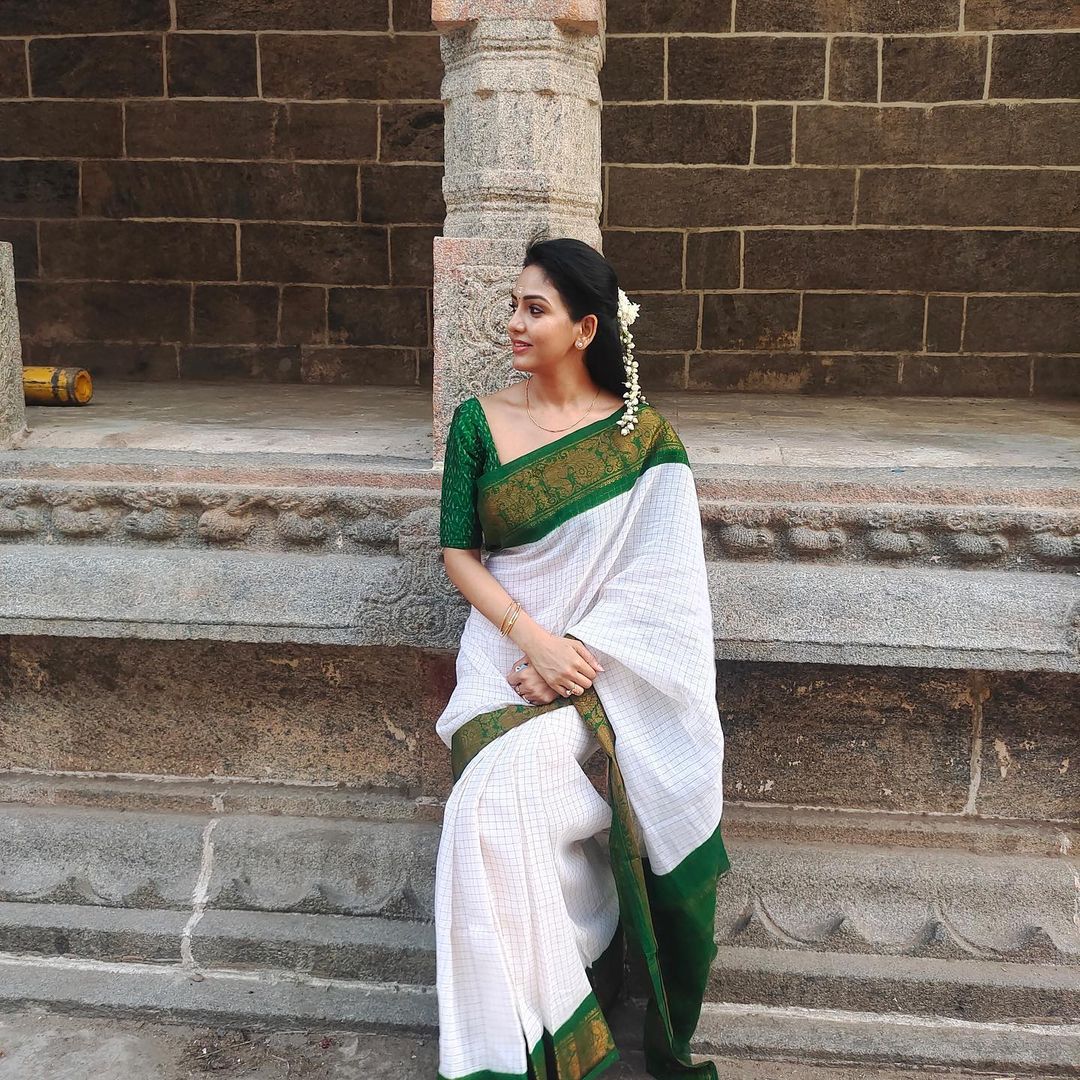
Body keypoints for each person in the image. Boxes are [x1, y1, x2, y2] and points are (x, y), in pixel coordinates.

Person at [435, 236, 730, 1080]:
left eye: (536, 309)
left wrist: (578, 658)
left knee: (503, 814)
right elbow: (458, 553)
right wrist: (531, 639)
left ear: (586, 326)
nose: (514, 323)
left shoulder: (644, 441)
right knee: (482, 818)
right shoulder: (478, 421)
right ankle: (532, 1049)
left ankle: (545, 1027)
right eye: (514, 305)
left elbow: (664, 589)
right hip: (502, 660)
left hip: (597, 679)